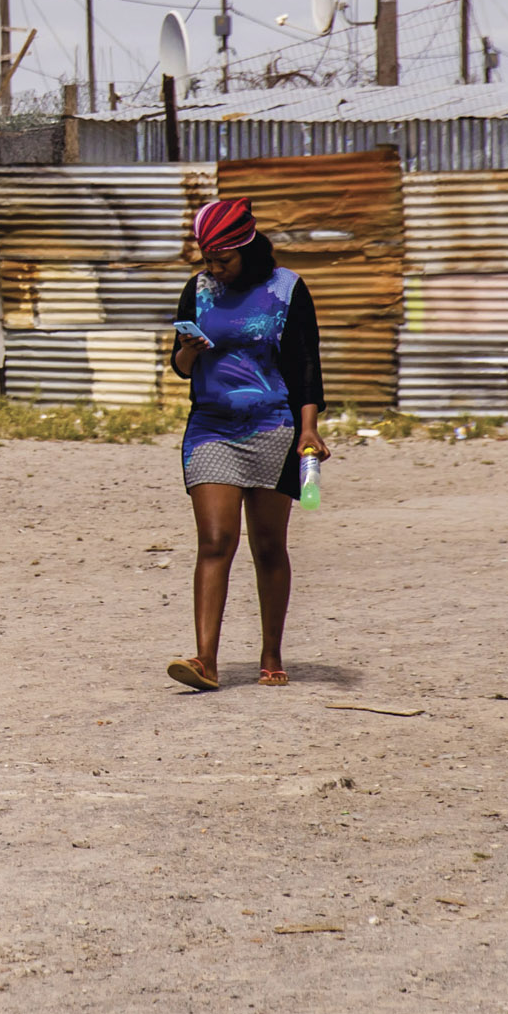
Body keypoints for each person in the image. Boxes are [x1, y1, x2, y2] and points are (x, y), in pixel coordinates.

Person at [165, 196, 327, 691]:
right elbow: (178, 366)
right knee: (215, 541)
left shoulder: (287, 289)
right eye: (208, 259)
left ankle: (271, 653)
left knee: (268, 546)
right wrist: (188, 354)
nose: (214, 268)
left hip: (274, 427)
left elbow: (305, 366)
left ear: (248, 249)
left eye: (223, 260)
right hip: (211, 427)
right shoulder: (199, 289)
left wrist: (309, 427)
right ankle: (205, 661)